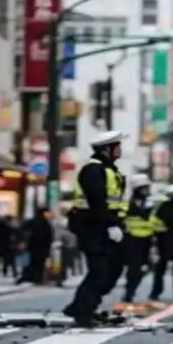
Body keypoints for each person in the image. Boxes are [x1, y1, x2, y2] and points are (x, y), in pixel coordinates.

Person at [61, 131, 129, 327]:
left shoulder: (109, 170)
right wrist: (110, 225)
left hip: (103, 226)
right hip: (92, 227)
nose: (120, 150)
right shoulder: (93, 170)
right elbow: (97, 201)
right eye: (117, 147)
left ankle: (81, 306)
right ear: (107, 149)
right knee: (99, 271)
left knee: (112, 269)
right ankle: (83, 312)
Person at [149, 183, 173, 299]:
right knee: (161, 268)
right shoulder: (164, 206)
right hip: (164, 240)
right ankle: (156, 292)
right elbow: (156, 221)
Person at [122, 174, 155, 302]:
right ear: (136, 189)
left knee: (147, 267)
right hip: (132, 240)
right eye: (143, 188)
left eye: (147, 187)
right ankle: (129, 292)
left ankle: (131, 288)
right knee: (134, 267)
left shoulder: (151, 204)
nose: (146, 190)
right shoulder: (129, 204)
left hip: (147, 240)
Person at [19, 207, 54, 284]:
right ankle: (37, 278)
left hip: (31, 247)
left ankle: (28, 277)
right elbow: (49, 237)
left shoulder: (31, 222)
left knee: (29, 264)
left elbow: (21, 231)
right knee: (39, 264)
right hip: (41, 248)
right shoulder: (45, 224)